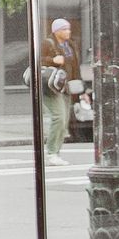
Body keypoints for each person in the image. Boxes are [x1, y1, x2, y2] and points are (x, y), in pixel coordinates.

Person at [41, 19, 76, 159]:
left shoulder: (70, 45)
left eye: (68, 29)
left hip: (65, 86)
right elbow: (37, 59)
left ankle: (56, 152)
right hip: (51, 87)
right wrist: (52, 61)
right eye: (64, 29)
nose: (68, 32)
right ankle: (52, 152)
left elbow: (75, 67)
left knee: (64, 120)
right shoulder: (47, 43)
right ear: (56, 31)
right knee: (59, 117)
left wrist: (80, 89)